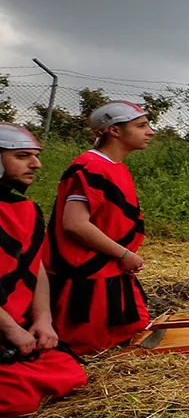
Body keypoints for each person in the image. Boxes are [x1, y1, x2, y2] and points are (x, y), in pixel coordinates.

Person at [51, 101, 155, 355]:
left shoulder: (113, 166)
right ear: (114, 131)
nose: (150, 132)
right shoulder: (91, 166)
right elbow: (74, 224)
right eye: (141, 126)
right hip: (87, 277)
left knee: (133, 337)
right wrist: (124, 254)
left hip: (109, 271)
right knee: (91, 348)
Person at [0, 125, 87, 418]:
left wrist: (43, 320)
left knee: (69, 373)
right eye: (22, 156)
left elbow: (33, 266)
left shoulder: (24, 209)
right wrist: (10, 329)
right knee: (17, 399)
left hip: (15, 329)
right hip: (5, 327)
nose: (36, 164)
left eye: (34, 156)